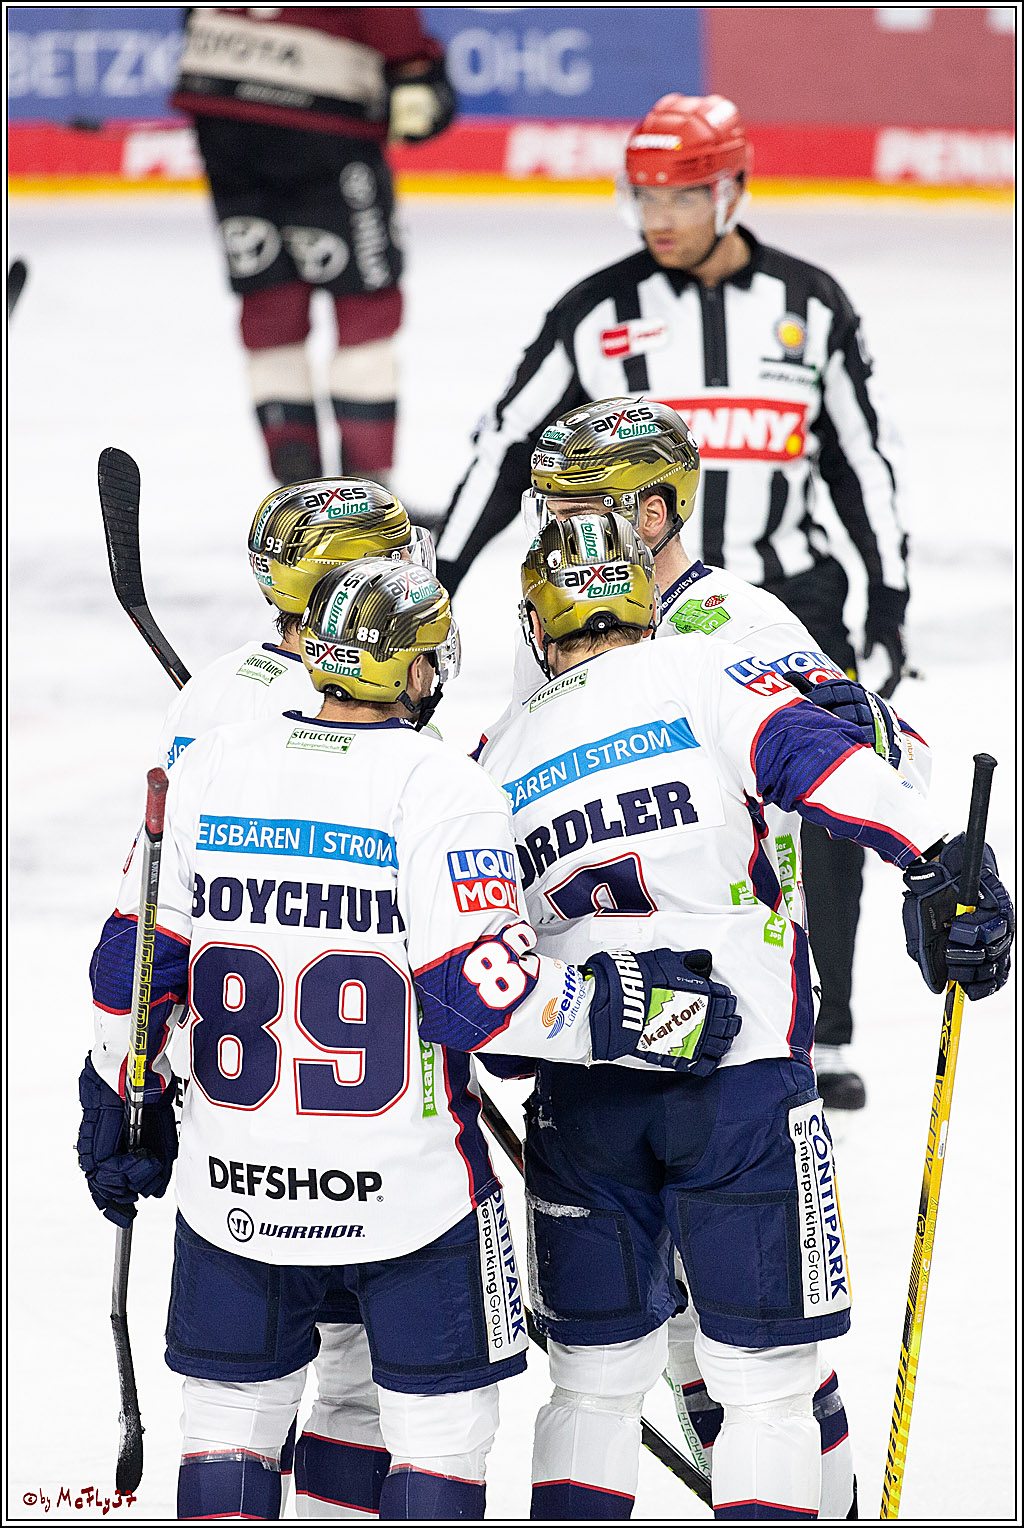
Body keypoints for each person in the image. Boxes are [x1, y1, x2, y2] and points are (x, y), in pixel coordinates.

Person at [77, 556, 746, 1521]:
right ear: (417, 669)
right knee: (438, 1440)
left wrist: (118, 1094)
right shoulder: (441, 784)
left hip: (236, 1196)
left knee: (228, 1428)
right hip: (410, 1199)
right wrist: (649, 1011)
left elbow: (127, 972)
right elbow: (485, 1003)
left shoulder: (209, 768)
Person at [475, 512, 1012, 1519]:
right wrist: (940, 864)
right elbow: (824, 757)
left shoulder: (493, 751)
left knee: (591, 1383)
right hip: (742, 1080)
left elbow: (463, 960)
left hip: (583, 1095)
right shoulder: (702, 669)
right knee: (765, 1384)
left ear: (536, 626)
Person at [436, 93, 911, 1109]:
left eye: (682, 193)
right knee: (621, 793)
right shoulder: (595, 313)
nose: (658, 213)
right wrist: (438, 580)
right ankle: (638, 994)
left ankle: (825, 1025)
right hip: (620, 601)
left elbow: (864, 458)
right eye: (642, 191)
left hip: (782, 591)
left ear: (731, 188)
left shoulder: (811, 303)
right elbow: (506, 443)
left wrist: (889, 594)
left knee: (825, 784)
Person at [153, 476, 435, 1517]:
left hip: (229, 1091)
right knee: (354, 1382)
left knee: (233, 1394)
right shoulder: (400, 716)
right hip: (372, 1107)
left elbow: (148, 913)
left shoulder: (210, 698)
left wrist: (128, 1081)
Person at [172, 7, 456, 485]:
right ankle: (363, 495)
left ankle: (297, 490)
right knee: (366, 304)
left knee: (269, 300)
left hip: (216, 96)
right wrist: (414, 67)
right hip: (324, 110)